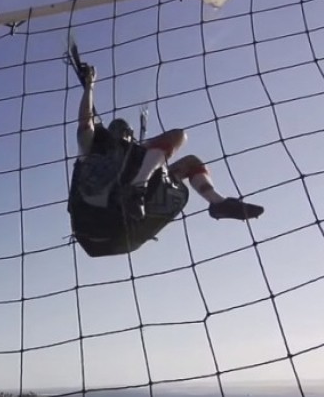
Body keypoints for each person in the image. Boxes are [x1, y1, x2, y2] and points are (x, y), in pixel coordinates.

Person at [69, 63, 264, 257]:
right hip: (99, 222)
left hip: (124, 229)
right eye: (120, 132)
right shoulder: (93, 151)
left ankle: (218, 203)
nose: (124, 137)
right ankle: (138, 189)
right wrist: (89, 86)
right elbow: (86, 123)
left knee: (190, 161)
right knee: (177, 137)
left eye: (126, 133)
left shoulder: (138, 157)